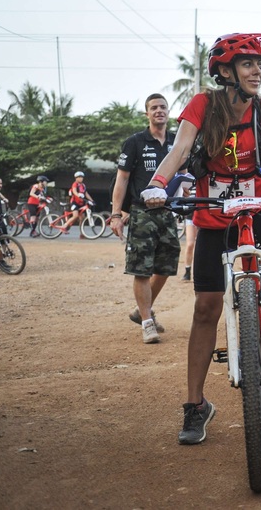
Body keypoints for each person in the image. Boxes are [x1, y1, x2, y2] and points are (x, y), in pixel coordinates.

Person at [140, 33, 261, 445]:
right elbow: (180, 150)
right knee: (205, 308)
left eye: (260, 65)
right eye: (248, 64)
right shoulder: (202, 104)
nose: (257, 72)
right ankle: (195, 405)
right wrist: (158, 183)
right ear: (225, 71)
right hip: (214, 214)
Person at [110, 93, 178, 344]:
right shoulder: (135, 142)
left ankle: (141, 311)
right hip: (141, 212)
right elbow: (122, 179)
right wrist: (116, 214)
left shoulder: (176, 141)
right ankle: (148, 323)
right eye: (154, 108)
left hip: (168, 212)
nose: (159, 111)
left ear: (168, 112)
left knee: (166, 267)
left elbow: (184, 175)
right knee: (141, 268)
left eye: (163, 107)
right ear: (147, 113)